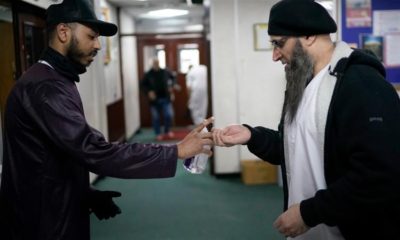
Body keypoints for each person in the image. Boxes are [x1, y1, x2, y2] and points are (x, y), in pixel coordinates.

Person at [0, 0, 213, 239]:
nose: (98, 45)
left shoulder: (56, 79)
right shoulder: (46, 87)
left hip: (53, 208)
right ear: (63, 32)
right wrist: (175, 152)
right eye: (91, 36)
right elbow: (93, 150)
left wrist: (84, 193)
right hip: (42, 222)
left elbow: (54, 156)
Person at [212, 0, 400, 239]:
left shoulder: (361, 85)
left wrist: (308, 213)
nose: (274, 55)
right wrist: (252, 135)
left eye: (279, 44)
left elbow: (379, 174)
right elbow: (295, 149)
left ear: (309, 35)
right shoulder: (302, 83)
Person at [141, 58, 176, 141]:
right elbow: (142, 85)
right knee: (156, 117)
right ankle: (158, 133)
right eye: (154, 63)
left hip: (165, 98)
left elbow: (173, 78)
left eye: (157, 63)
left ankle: (167, 130)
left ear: (159, 63)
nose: (156, 64)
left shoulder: (165, 72)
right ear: (152, 64)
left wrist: (171, 86)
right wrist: (148, 92)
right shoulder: (148, 74)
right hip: (154, 101)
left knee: (168, 115)